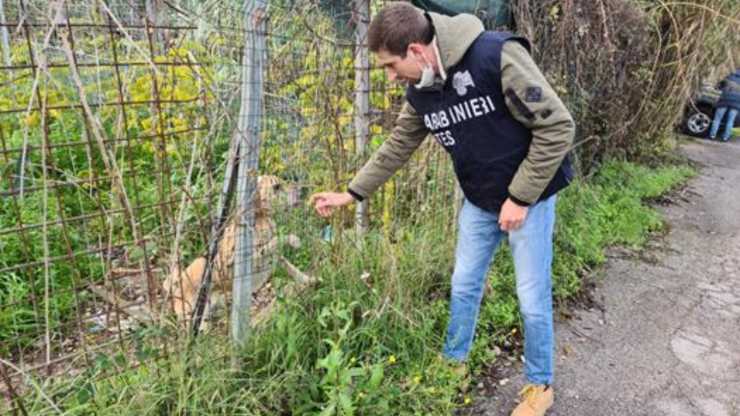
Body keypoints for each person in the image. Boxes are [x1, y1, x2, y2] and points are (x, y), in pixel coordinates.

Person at [310, 3, 574, 415]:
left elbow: (557, 126)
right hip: (479, 198)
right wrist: (351, 194)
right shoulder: (422, 91)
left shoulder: (495, 55)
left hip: (531, 198)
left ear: (416, 50)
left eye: (391, 65)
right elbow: (398, 145)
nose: (392, 76)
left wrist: (520, 197)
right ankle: (454, 364)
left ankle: (539, 385)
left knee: (530, 296)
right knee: (464, 284)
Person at [709, 68, 740, 141]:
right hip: (736, 103)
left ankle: (712, 136)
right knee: (730, 120)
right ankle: (725, 137)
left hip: (724, 100)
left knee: (717, 119)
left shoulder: (728, 76)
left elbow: (718, 87)